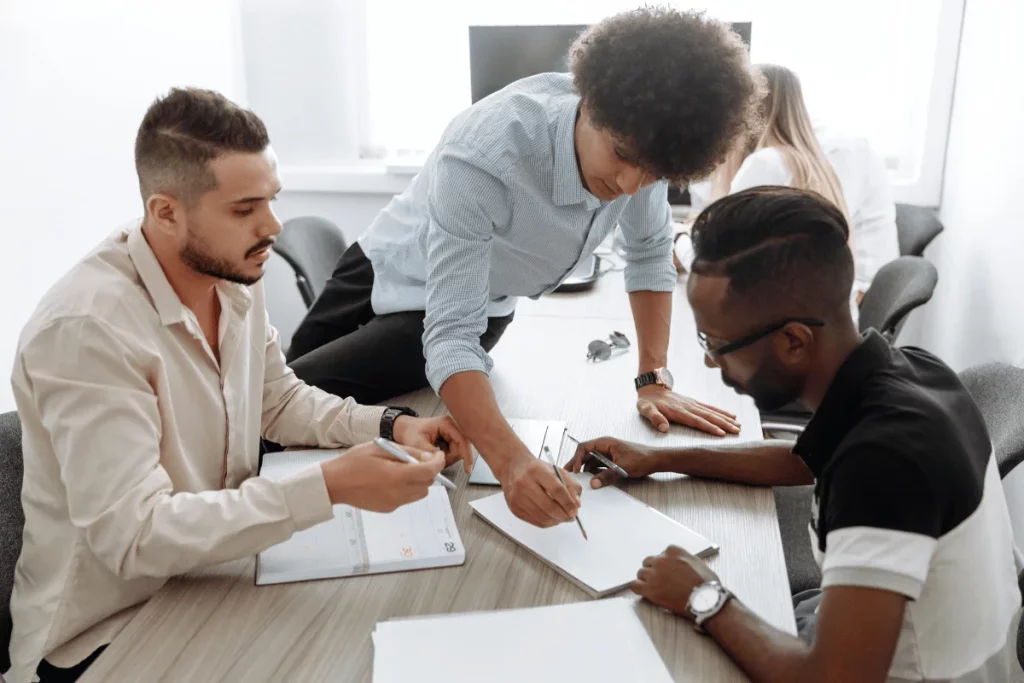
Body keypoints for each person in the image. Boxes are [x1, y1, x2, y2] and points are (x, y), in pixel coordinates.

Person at [8, 88, 472, 683]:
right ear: (165, 211)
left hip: (207, 577)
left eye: (272, 200)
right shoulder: (86, 331)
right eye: (244, 208)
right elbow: (135, 537)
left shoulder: (231, 273)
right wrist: (327, 487)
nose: (272, 226)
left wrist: (390, 425)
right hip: (102, 636)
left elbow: (277, 400)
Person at [286, 7, 764, 529]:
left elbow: (649, 253)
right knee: (261, 415)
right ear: (591, 103)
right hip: (385, 272)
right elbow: (447, 338)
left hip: (478, 308)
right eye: (621, 155)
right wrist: (512, 462)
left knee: (294, 422)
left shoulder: (648, 153)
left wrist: (653, 378)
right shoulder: (486, 152)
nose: (631, 186)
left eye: (654, 175)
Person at [570, 187, 1020, 682]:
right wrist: (660, 458)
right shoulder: (909, 371)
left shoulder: (882, 464)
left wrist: (705, 598)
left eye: (716, 343)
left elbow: (828, 678)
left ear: (793, 341)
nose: (707, 360)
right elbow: (804, 459)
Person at [679, 64, 899, 308]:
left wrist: (677, 239)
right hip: (828, 318)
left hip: (788, 322)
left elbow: (715, 268)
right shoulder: (815, 165)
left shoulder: (766, 164)